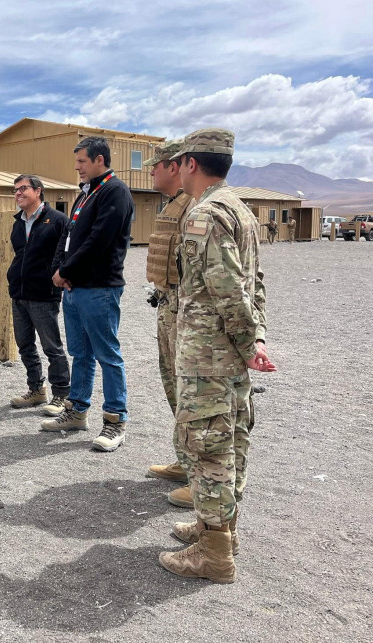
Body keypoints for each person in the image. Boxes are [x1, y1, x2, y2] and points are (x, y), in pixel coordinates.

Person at [158, 128, 276, 584]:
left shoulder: (204, 214)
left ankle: (214, 556)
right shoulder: (241, 209)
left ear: (189, 163)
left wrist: (250, 343)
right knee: (232, 442)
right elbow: (255, 282)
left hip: (209, 355)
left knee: (206, 445)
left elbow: (226, 287)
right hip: (231, 354)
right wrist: (256, 340)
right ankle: (219, 530)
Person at [45, 137, 134, 452]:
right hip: (75, 288)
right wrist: (60, 270)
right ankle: (77, 412)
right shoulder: (85, 194)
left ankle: (114, 422)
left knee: (107, 355)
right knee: (80, 354)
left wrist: (66, 271)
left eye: (82, 161)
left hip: (99, 288)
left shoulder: (115, 192)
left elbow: (98, 241)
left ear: (99, 160)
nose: (77, 167)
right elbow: (68, 237)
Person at [143, 140, 197, 508]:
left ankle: (200, 476)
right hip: (167, 303)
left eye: (155, 166)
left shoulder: (193, 207)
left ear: (174, 167)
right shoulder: (174, 205)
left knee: (191, 392)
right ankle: (186, 459)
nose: (150, 172)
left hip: (183, 308)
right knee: (172, 385)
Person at [6, 174, 71, 417]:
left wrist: (57, 277)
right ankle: (36, 389)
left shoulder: (56, 220)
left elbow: (65, 253)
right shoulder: (18, 222)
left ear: (38, 191)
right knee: (24, 346)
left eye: (23, 189)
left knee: (51, 347)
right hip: (19, 293)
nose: (18, 193)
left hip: (44, 294)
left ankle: (61, 394)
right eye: (15, 190)